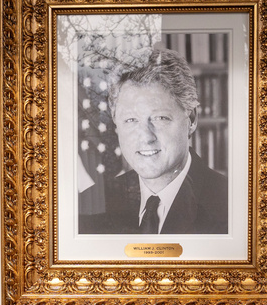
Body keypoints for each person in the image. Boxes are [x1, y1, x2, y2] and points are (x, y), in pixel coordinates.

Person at [78, 47, 227, 234]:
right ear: (116, 122)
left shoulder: (233, 204)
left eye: (160, 118)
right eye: (131, 120)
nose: (146, 137)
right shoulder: (94, 205)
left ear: (191, 120)